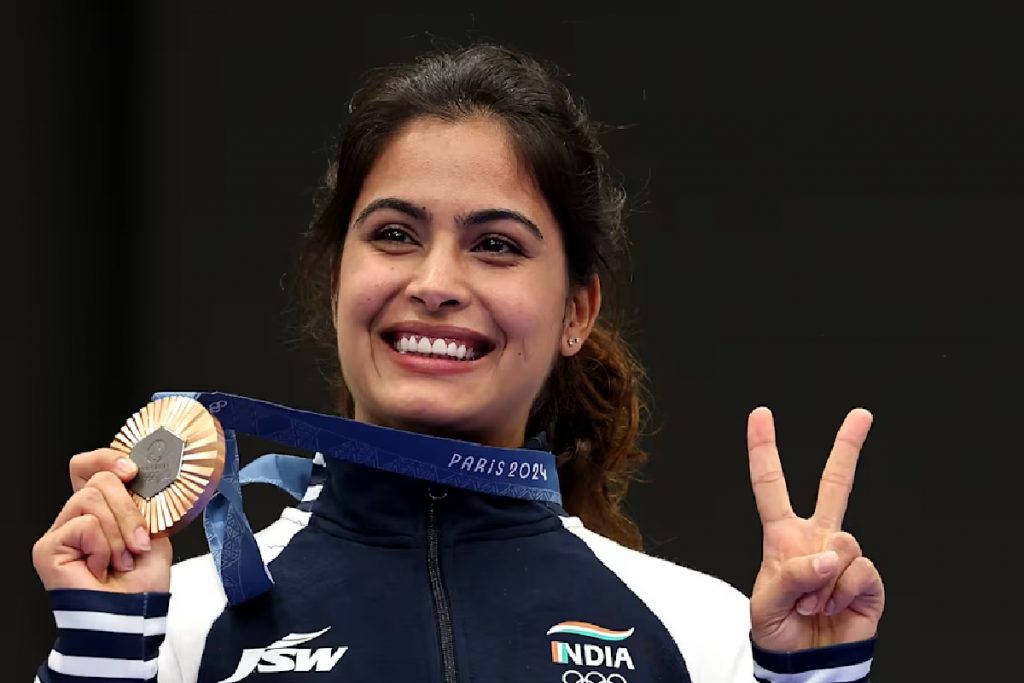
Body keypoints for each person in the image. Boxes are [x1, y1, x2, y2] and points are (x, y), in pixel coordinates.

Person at [32, 43, 884, 682]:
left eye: (496, 245)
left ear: (576, 312)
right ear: (337, 281)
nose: (435, 283)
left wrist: (813, 679)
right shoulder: (174, 622)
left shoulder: (705, 633)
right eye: (395, 234)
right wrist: (103, 654)